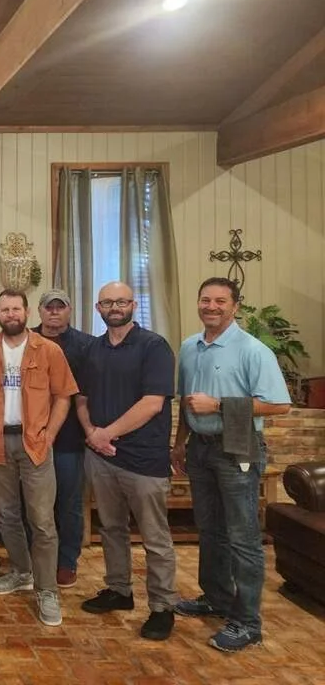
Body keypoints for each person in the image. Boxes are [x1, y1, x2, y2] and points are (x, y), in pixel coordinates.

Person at [173, 277, 291, 653]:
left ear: (235, 306)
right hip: (199, 448)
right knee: (210, 530)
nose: (211, 306)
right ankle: (216, 598)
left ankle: (248, 623)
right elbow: (186, 402)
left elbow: (279, 405)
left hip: (237, 447)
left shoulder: (254, 350)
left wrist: (219, 405)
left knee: (243, 538)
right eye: (205, 300)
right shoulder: (188, 347)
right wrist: (179, 443)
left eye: (220, 301)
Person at [76, 282, 178, 641]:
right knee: (111, 528)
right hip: (101, 457)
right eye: (107, 303)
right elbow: (81, 399)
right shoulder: (93, 349)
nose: (114, 307)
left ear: (133, 305)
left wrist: (106, 434)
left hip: (144, 458)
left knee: (155, 537)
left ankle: (163, 607)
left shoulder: (154, 346)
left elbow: (152, 403)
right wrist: (92, 433)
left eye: (121, 301)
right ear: (98, 308)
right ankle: (119, 590)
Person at [0, 290, 76, 627]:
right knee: (7, 515)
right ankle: (21, 571)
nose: (11, 314)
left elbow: (63, 396)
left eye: (16, 308)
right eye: (5, 309)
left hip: (35, 445)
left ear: (27, 312)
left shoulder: (49, 350)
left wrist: (50, 435)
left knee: (42, 520)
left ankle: (47, 591)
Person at [32, 289, 95, 588]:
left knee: (69, 502)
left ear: (69, 310)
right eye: (49, 307)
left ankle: (67, 561)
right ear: (40, 311)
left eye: (60, 307)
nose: (54, 312)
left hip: (69, 438)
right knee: (34, 504)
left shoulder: (86, 346)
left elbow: (89, 393)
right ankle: (37, 559)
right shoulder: (25, 340)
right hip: (30, 436)